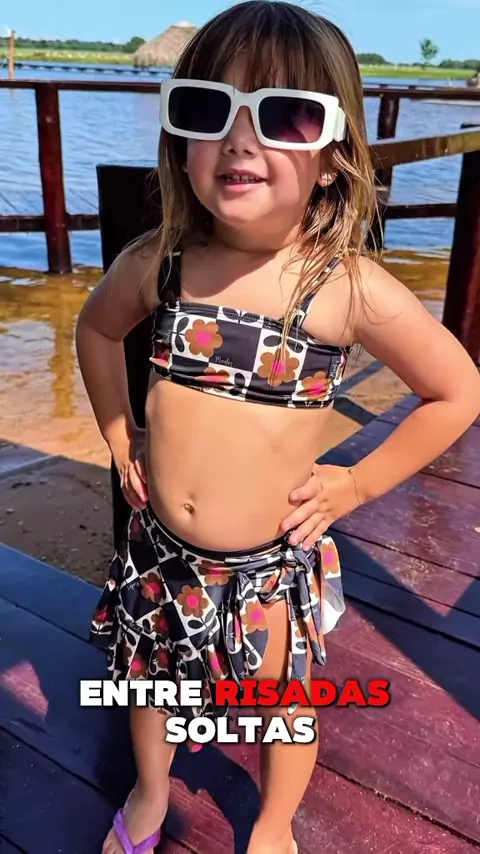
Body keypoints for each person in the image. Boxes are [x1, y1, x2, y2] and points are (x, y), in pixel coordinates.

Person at [75, 2, 480, 853]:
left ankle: (272, 823)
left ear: (333, 159)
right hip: (160, 552)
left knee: (281, 702)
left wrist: (356, 483)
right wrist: (118, 432)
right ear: (181, 141)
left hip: (268, 567)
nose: (239, 140)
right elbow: (97, 329)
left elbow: (456, 391)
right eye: (208, 109)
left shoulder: (345, 288)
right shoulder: (161, 262)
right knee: (148, 680)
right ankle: (151, 791)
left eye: (284, 115)